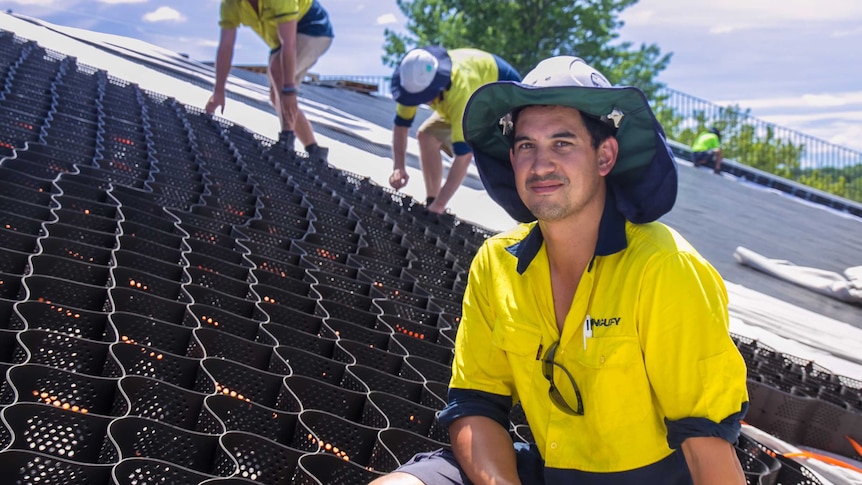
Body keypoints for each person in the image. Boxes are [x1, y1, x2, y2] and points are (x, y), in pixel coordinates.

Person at [370, 56, 749, 484]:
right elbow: (475, 404)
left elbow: (706, 445)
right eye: (527, 146)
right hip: (545, 471)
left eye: (562, 143)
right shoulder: (496, 263)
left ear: (605, 155)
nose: (541, 164)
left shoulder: (664, 268)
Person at [388, 47, 521, 213]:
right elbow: (401, 127)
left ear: (435, 85)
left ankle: (528, 219)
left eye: (423, 97)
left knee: (509, 159)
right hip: (474, 90)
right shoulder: (412, 84)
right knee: (426, 136)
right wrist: (398, 167)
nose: (421, 102)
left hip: (506, 98)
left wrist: (441, 204)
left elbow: (464, 156)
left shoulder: (460, 93)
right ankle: (432, 201)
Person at [206, 0, 333, 161]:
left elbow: (289, 43)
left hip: (313, 28)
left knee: (279, 74)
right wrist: (218, 91)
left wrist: (289, 88)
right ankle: (315, 151)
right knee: (276, 96)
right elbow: (226, 46)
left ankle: (286, 141)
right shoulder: (231, 4)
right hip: (279, 40)